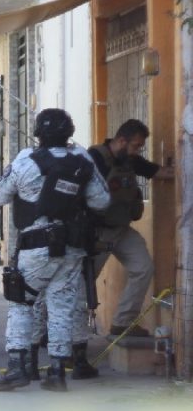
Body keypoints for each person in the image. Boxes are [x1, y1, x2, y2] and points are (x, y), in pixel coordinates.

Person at [0, 109, 110, 392]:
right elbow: (102, 201)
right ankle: (57, 371)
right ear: (69, 132)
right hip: (71, 249)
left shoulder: (25, 160)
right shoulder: (82, 160)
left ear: (38, 134)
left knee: (21, 303)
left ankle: (19, 366)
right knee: (61, 308)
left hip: (36, 246)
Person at [86, 118, 174, 338]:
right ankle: (62, 337)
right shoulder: (94, 158)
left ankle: (122, 323)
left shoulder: (130, 159)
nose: (138, 150)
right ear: (122, 140)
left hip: (121, 229)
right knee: (82, 283)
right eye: (136, 145)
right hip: (97, 233)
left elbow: (158, 172)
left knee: (143, 268)